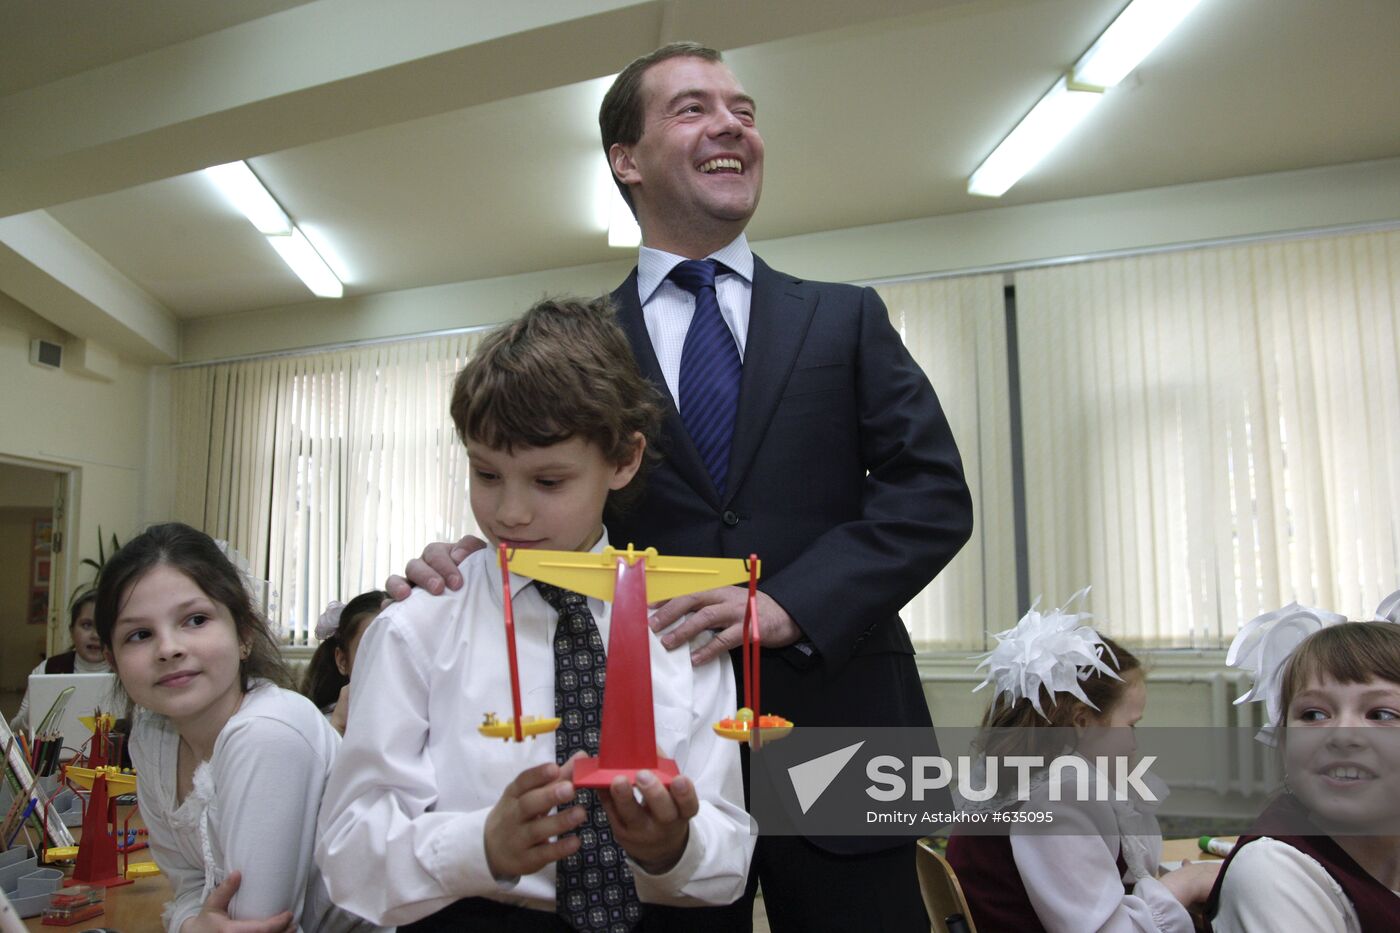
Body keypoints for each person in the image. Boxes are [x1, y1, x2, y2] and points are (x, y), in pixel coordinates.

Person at [392, 41, 973, 931]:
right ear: (625, 159)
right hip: (647, 742)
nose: (732, 123)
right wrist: (475, 555)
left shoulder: (845, 317)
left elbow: (931, 495)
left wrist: (788, 604)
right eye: (693, 107)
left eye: (743, 108)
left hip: (842, 712)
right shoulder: (582, 344)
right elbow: (551, 496)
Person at [317, 297, 752, 930]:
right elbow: (349, 853)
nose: (509, 513)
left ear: (625, 460)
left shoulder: (679, 627)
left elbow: (731, 852)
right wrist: (480, 845)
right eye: (486, 474)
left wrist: (674, 849)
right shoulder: (416, 628)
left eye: (549, 482)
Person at [94, 522, 375, 933]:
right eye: (139, 634)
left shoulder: (267, 733)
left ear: (243, 633)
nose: (169, 648)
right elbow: (190, 887)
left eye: (195, 620)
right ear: (112, 658)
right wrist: (192, 926)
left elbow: (257, 924)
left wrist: (193, 924)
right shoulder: (151, 737)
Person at [946, 596, 1219, 932]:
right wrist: (1186, 884)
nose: (1134, 743)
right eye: (1130, 725)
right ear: (1082, 721)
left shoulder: (1026, 776)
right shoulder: (1058, 800)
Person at [1207, 605, 1400, 931]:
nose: (1342, 736)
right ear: (1283, 743)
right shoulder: (1272, 872)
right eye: (1314, 715)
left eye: (1380, 715)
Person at [9, 588, 109, 733]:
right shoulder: (49, 668)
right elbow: (15, 730)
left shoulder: (128, 672)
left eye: (103, 627)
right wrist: (43, 704)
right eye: (86, 625)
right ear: (72, 631)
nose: (95, 635)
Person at [301, 590, 387, 734]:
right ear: (342, 661)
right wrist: (338, 727)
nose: (386, 664)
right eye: (371, 651)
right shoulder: (322, 729)